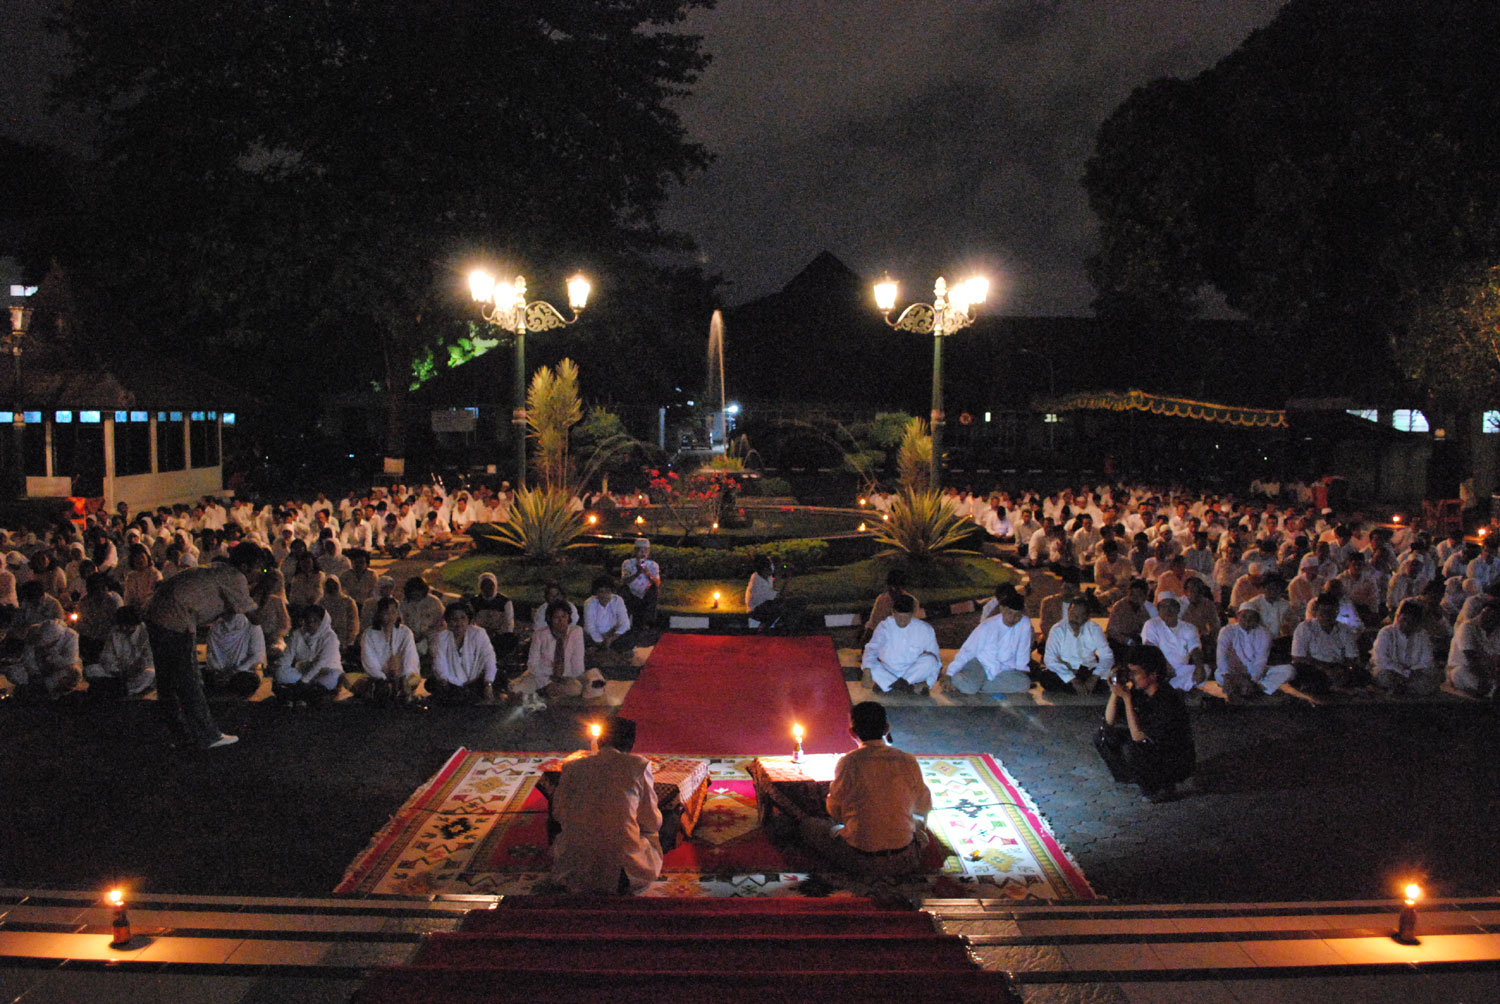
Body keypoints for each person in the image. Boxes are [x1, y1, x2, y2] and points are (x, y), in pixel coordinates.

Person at [145, 543, 264, 749]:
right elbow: (256, 618)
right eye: (258, 568)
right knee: (187, 679)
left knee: (167, 679)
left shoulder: (219, 568)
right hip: (176, 618)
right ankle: (207, 735)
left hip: (157, 613)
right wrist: (268, 587)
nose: (259, 573)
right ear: (245, 566)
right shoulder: (235, 577)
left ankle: (176, 734)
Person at [797, 700, 933, 876]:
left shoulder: (849, 762)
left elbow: (835, 811)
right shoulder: (907, 760)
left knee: (809, 826)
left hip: (860, 861)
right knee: (916, 825)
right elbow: (923, 805)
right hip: (905, 859)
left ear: (852, 732)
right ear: (886, 729)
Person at [549, 716, 663, 894]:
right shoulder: (638, 765)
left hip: (574, 873)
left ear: (600, 740)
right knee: (662, 824)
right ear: (630, 744)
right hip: (624, 876)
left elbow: (558, 813)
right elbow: (652, 821)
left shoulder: (572, 766)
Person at [1094, 645, 1195, 803]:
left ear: (1153, 675)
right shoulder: (1139, 692)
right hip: (1152, 747)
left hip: (1173, 759)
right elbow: (1108, 722)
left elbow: (1138, 736)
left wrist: (1127, 699)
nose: (1131, 677)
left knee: (1134, 747)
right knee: (1103, 735)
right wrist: (1115, 691)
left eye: (1135, 672)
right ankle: (1130, 776)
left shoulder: (1167, 699)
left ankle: (1159, 788)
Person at [945, 592, 1033, 694]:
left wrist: (1021, 671)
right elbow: (968, 650)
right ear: (1002, 609)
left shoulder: (1024, 623)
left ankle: (978, 685)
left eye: (1017, 615)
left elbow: (1023, 650)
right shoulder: (988, 626)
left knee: (1024, 684)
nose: (1012, 619)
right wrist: (950, 673)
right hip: (980, 663)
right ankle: (963, 679)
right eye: (1010, 613)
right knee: (969, 688)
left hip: (1003, 669)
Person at [861, 594, 941, 695]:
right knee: (870, 665)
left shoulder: (925, 629)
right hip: (888, 670)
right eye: (899, 617)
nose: (902, 621)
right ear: (893, 613)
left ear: (912, 614)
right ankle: (908, 688)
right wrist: (867, 670)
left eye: (906, 617)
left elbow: (936, 660)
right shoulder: (884, 626)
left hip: (913, 673)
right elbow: (872, 648)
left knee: (931, 660)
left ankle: (889, 685)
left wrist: (928, 683)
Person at [514, 600, 587, 708]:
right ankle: (543, 694)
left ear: (569, 617)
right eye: (557, 618)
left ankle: (548, 696)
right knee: (516, 689)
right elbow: (533, 664)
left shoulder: (576, 632)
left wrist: (562, 679)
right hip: (542, 676)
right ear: (550, 619)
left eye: (564, 617)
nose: (561, 621)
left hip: (566, 677)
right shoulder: (540, 635)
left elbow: (578, 664)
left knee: (576, 689)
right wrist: (547, 682)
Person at [272, 604, 344, 708]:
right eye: (308, 621)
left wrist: (303, 682)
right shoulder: (297, 635)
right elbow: (286, 659)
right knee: (281, 672)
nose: (311, 624)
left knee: (332, 676)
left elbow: (321, 663)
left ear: (323, 622)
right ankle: (309, 694)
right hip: (303, 672)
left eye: (315, 621)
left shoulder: (330, 637)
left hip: (323, 673)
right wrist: (280, 669)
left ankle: (296, 694)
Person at [1290, 594, 1365, 692]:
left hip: (1338, 668)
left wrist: (1342, 669)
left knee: (1361, 674)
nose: (1327, 616)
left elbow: (1352, 657)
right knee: (1297, 671)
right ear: (1316, 612)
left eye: (1331, 612)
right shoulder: (1305, 628)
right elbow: (1298, 657)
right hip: (1313, 668)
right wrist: (1326, 668)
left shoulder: (1345, 630)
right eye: (1323, 612)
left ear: (1337, 612)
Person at [428, 601, 499, 705]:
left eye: (462, 618)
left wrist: (488, 684)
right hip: (452, 684)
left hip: (476, 681)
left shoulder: (479, 633)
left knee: (499, 677)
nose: (459, 623)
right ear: (448, 621)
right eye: (454, 619)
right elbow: (440, 664)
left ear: (468, 620)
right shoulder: (441, 638)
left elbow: (489, 658)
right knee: (432, 683)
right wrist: (447, 682)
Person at [1041, 599, 1115, 695]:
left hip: (1087, 670)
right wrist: (1073, 679)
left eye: (1079, 615)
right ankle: (1081, 688)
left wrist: (1094, 677)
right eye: (1072, 614)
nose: (1075, 618)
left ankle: (1079, 689)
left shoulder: (1094, 629)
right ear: (1068, 611)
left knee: (1112, 677)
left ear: (1087, 616)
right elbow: (1050, 659)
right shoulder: (1057, 629)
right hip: (1066, 669)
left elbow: (1107, 656)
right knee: (1045, 677)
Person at [1371, 598, 1442, 697]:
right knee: (1384, 676)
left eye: (1411, 622)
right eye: (1404, 620)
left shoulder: (1422, 635)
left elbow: (1427, 661)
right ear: (1398, 617)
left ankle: (1402, 690)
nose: (1406, 624)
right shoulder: (1386, 632)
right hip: (1391, 672)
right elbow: (1381, 660)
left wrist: (1412, 673)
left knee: (1432, 679)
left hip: (1415, 674)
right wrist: (1403, 672)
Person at [356, 596, 421, 704]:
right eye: (386, 612)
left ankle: (399, 689)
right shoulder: (369, 634)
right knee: (348, 679)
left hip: (402, 677)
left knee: (413, 679)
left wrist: (401, 674)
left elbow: (410, 656)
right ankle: (386, 689)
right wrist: (382, 676)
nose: (390, 616)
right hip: (378, 677)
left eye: (393, 612)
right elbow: (369, 660)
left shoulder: (405, 632)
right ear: (379, 614)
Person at [84, 606, 156, 699]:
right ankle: (117, 687)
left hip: (136, 672)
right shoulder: (115, 631)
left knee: (149, 674)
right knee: (90, 670)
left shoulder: (146, 633)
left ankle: (121, 689)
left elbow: (148, 660)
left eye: (127, 625)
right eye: (121, 625)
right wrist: (116, 670)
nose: (124, 628)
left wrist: (133, 670)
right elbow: (106, 655)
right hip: (116, 670)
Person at [1139, 595, 1207, 692]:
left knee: (1204, 669)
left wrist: (1199, 667)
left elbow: (1195, 649)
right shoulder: (1151, 624)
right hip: (1159, 669)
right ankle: (1179, 689)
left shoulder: (1189, 627)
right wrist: (1167, 668)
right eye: (1164, 607)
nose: (1168, 610)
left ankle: (1175, 688)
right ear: (1159, 610)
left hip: (1180, 671)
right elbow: (1151, 650)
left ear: (1178, 609)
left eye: (1171, 606)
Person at [205, 612, 268, 697]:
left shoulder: (252, 628)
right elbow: (212, 655)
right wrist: (220, 672)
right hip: (221, 674)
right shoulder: (216, 629)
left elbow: (257, 655)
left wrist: (236, 670)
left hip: (244, 675)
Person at [1447, 599, 1500, 699]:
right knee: (1459, 672)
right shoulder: (1467, 627)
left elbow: (1497, 659)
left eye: (1493, 616)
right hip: (1468, 670)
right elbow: (1471, 659)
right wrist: (1486, 678)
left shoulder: (1496, 631)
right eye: (1485, 614)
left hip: (1489, 673)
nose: (1487, 618)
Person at [744, 554, 808, 631]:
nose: (773, 568)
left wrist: (780, 574)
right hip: (756, 611)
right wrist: (788, 579)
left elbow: (773, 587)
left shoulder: (762, 576)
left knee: (798, 600)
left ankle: (781, 625)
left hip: (764, 606)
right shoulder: (758, 582)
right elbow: (780, 595)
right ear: (765, 568)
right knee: (785, 604)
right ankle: (772, 626)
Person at [862, 568, 924, 641]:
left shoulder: (912, 602)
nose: (893, 591)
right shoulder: (882, 600)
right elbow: (873, 623)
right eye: (891, 588)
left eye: (896, 588)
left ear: (902, 587)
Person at [467, 572, 517, 657]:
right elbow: (469, 621)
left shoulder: (505, 602)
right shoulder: (474, 602)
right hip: (479, 635)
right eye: (484, 585)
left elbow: (509, 623)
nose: (488, 588)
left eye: (490, 585)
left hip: (498, 635)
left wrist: (497, 634)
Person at [582, 574, 633, 653]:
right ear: (596, 592)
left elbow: (625, 623)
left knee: (630, 636)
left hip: (613, 636)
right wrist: (601, 642)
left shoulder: (618, 600)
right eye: (601, 592)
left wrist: (611, 639)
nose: (604, 595)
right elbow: (590, 628)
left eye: (607, 592)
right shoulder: (589, 603)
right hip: (594, 637)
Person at [619, 538, 661, 628]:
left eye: (645, 550)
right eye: (640, 550)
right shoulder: (628, 563)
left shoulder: (653, 565)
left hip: (646, 594)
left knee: (653, 591)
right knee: (625, 591)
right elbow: (624, 581)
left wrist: (647, 573)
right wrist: (637, 573)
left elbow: (657, 583)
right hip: (630, 593)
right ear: (635, 551)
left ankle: (647, 623)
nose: (643, 553)